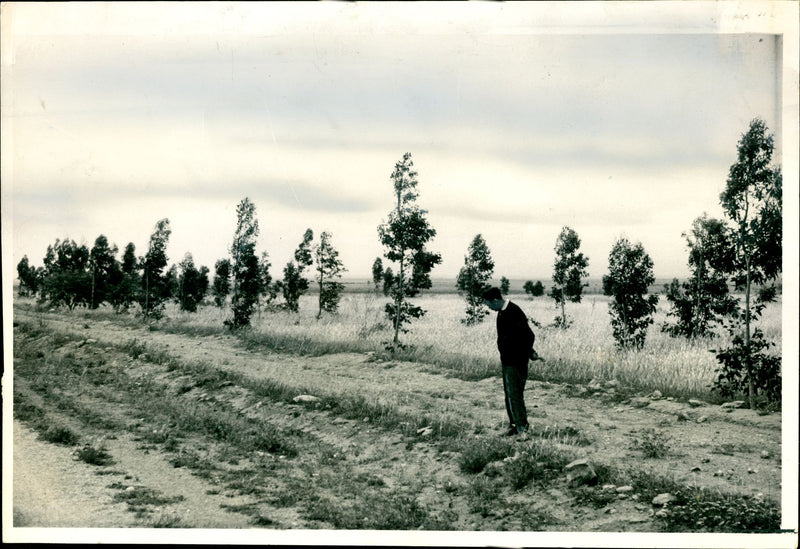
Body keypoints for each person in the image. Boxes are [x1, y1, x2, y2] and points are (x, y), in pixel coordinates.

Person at [483, 286, 537, 437]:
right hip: (508, 361)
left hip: (515, 362)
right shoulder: (501, 312)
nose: (488, 307)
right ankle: (514, 426)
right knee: (509, 394)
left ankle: (522, 429)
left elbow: (528, 335)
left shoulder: (514, 311)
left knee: (514, 394)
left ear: (495, 300)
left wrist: (528, 352)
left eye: (488, 303)